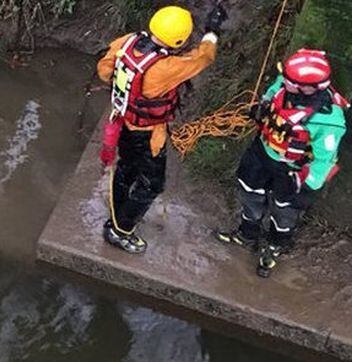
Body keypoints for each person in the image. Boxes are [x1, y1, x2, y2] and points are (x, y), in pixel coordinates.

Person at [97, 3, 227, 253]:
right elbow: (203, 57)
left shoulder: (128, 41)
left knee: (126, 168)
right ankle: (121, 230)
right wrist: (212, 31)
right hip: (149, 135)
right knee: (152, 184)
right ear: (179, 39)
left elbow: (105, 71)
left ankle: (118, 210)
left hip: (123, 122)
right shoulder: (166, 68)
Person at [214, 49, 348, 277]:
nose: (285, 83)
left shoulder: (329, 121)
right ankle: (247, 234)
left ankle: (276, 244)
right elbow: (273, 92)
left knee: (285, 210)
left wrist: (305, 184)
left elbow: (324, 159)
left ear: (309, 87)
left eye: (291, 82)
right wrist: (262, 108)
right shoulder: (285, 86)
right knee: (249, 191)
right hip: (262, 152)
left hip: (292, 170)